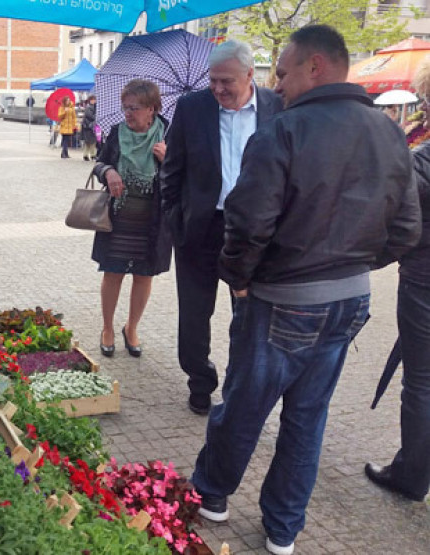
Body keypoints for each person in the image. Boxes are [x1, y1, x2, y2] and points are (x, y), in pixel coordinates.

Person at [190, 25, 421, 555]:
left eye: (285, 71)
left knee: (245, 406)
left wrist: (242, 281)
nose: (280, 83)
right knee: (307, 417)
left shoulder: (283, 131)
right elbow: (406, 231)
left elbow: (248, 225)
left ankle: (212, 495)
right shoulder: (389, 132)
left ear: (316, 66)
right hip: (349, 301)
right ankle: (283, 529)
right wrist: (355, 263)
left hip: (282, 300)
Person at [160, 39, 283, 415]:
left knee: (248, 318)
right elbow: (172, 171)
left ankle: (239, 389)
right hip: (200, 228)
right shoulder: (192, 107)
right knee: (194, 316)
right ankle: (200, 381)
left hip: (253, 232)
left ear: (251, 75)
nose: (217, 89)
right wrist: (175, 220)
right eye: (213, 80)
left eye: (226, 81)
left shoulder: (278, 108)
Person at [365, 57, 430, 505]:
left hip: (425, 280)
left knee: (422, 380)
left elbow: (398, 208)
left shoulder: (423, 158)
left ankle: (411, 474)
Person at [92, 80, 171, 359]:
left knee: (143, 275)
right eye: (125, 107)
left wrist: (168, 159)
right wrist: (109, 172)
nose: (128, 113)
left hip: (152, 220)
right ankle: (107, 328)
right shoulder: (117, 133)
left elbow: (186, 173)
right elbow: (99, 162)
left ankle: (132, 328)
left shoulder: (169, 134)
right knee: (113, 272)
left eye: (134, 108)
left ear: (152, 108)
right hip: (118, 217)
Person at [81, 95, 98, 161]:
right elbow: (90, 116)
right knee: (91, 142)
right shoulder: (89, 107)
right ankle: (92, 155)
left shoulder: (92, 107)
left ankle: (86, 155)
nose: (95, 101)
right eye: (93, 99)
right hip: (89, 126)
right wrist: (96, 116)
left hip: (89, 126)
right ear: (90, 100)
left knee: (89, 142)